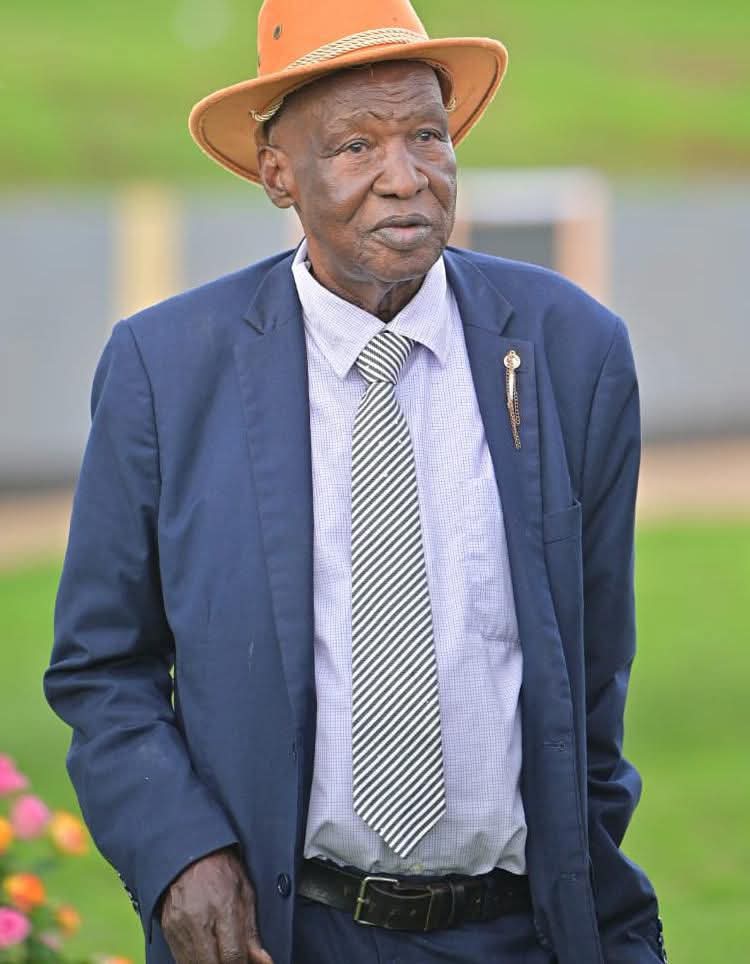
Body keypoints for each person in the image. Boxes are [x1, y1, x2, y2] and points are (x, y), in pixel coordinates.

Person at [43, 1, 667, 962]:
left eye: (427, 133)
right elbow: (103, 665)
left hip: (522, 933)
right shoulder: (164, 369)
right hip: (287, 935)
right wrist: (180, 855)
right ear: (276, 173)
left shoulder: (571, 351)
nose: (404, 178)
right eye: (354, 146)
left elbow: (595, 674)